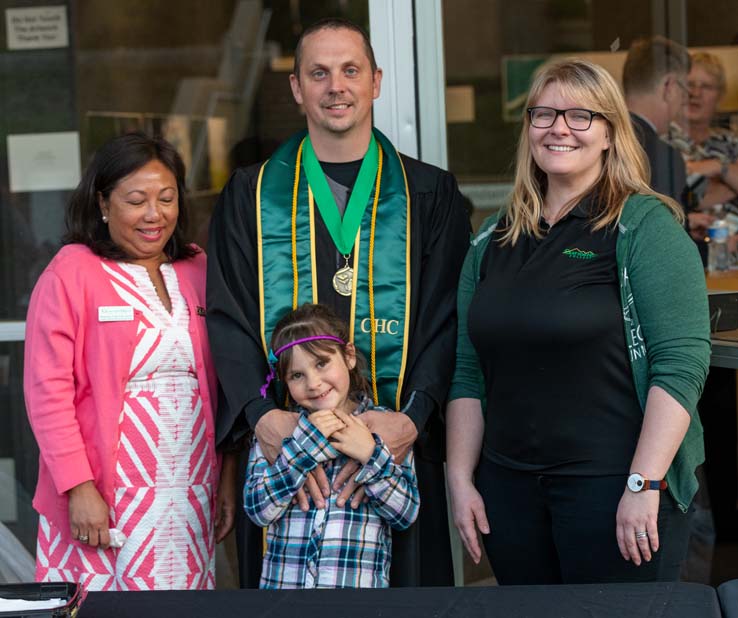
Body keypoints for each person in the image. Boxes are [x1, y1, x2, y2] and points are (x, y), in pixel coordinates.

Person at [207, 17, 469, 588]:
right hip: (286, 455)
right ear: (297, 87)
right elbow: (227, 318)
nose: (336, 86)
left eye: (350, 70)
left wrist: (412, 420)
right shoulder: (251, 195)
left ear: (376, 81)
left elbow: (445, 322)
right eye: (318, 73)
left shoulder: (429, 193)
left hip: (392, 452)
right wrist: (264, 419)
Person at [446, 59, 710, 584]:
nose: (559, 127)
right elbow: (467, 367)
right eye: (543, 114)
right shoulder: (493, 238)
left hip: (617, 493)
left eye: (580, 115)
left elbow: (680, 366)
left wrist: (644, 485)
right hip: (511, 495)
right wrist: (459, 476)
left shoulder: (645, 227)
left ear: (611, 131)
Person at [24, 132, 224, 590]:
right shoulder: (71, 271)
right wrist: (78, 488)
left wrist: (224, 479)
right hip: (104, 496)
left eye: (167, 198)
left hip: (188, 492)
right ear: (103, 203)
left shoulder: (196, 268)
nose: (155, 214)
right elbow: (47, 392)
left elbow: (222, 382)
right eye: (136, 200)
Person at [244, 303, 419, 588]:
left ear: (348, 356)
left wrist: (370, 454)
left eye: (322, 363)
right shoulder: (279, 433)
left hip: (357, 603)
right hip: (284, 600)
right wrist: (305, 447)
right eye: (297, 375)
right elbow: (258, 510)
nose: (313, 383)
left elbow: (405, 513)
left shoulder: (384, 429)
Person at [623, 36, 713, 250]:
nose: (685, 99)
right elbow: (664, 249)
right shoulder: (663, 156)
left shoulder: (596, 141)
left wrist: (687, 222)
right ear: (669, 86)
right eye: (685, 89)